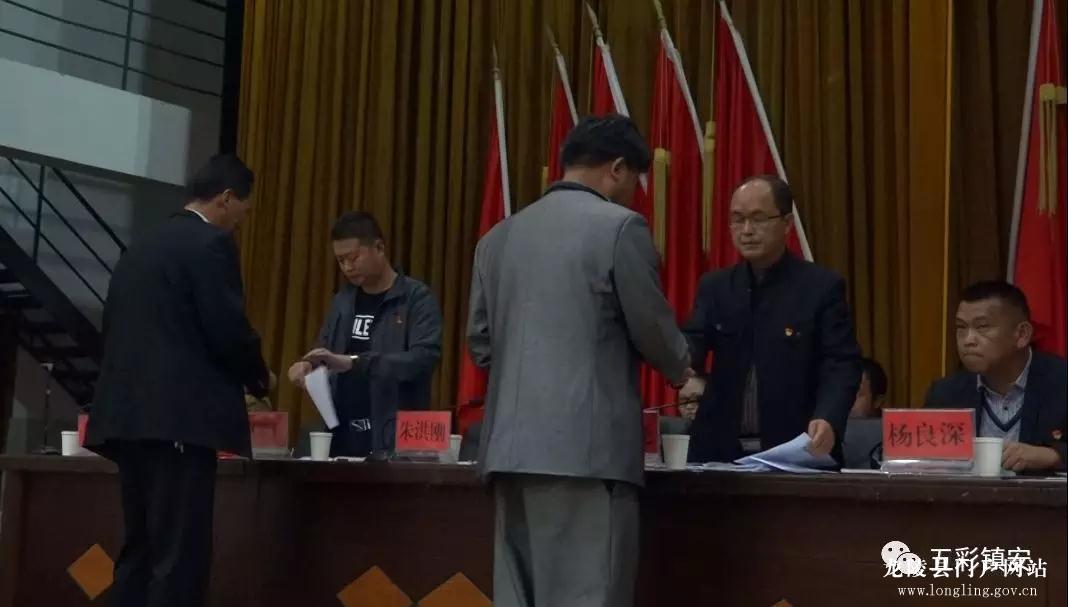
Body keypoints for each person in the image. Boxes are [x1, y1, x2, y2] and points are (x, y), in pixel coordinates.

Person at [467, 114, 692, 607]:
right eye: (635, 181)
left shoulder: (497, 238)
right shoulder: (620, 228)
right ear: (617, 168)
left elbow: (480, 343)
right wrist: (684, 372)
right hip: (587, 457)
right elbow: (651, 327)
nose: (634, 195)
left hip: (507, 453)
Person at [85, 154, 270, 607]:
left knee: (140, 551)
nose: (240, 222)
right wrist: (258, 376)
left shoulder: (140, 247)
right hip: (179, 423)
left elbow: (113, 327)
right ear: (226, 198)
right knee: (179, 557)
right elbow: (226, 328)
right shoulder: (209, 244)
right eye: (243, 211)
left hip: (126, 420)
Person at [680, 175, 861, 464]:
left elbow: (840, 364)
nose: (747, 230)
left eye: (758, 219)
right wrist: (676, 358)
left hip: (795, 450)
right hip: (720, 454)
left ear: (787, 223)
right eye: (737, 220)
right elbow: (693, 343)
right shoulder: (716, 287)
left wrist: (828, 417)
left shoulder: (820, 287)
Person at [288, 211, 442, 456]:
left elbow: (423, 359)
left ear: (379, 248)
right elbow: (325, 349)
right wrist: (307, 364)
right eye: (340, 261)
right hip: (342, 436)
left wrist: (356, 362)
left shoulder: (416, 298)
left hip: (393, 439)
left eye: (353, 258)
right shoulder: (343, 301)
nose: (347, 267)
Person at [926, 281, 1066, 472]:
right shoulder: (946, 394)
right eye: (961, 327)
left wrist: (1053, 456)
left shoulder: (1061, 383)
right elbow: (926, 461)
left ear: (1022, 334)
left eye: (982, 327)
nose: (968, 340)